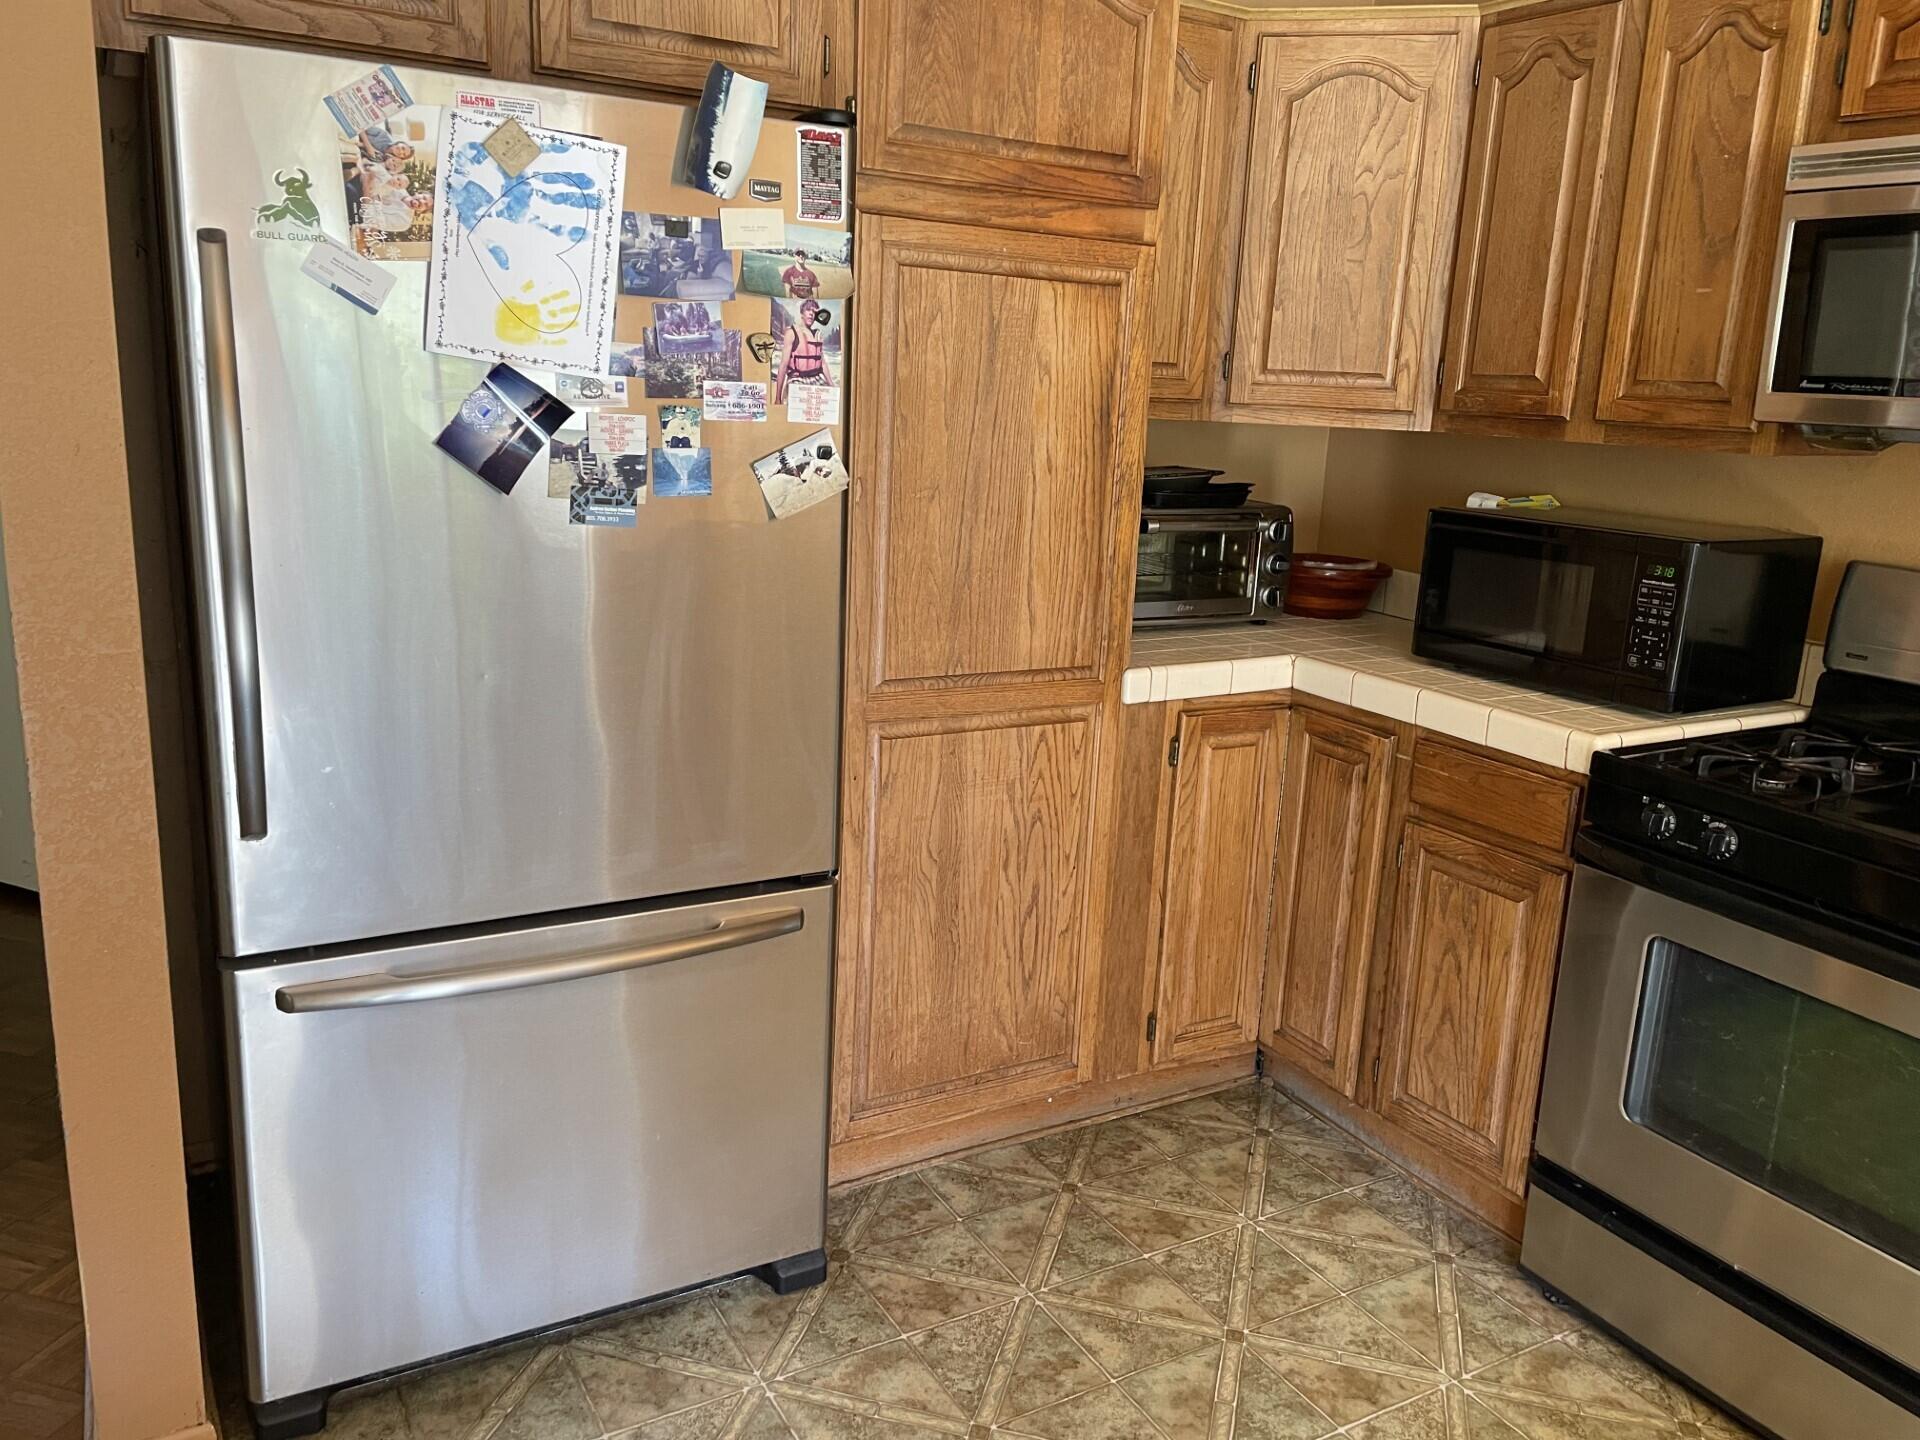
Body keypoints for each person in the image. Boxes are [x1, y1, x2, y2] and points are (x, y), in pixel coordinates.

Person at [774, 300, 832, 403]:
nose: (811, 314)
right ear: (802, 313)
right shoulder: (792, 332)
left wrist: (831, 385)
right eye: (808, 310)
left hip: (816, 378)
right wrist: (778, 398)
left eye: (814, 312)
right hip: (797, 379)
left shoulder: (817, 335)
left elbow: (822, 363)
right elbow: (783, 365)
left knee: (828, 402)